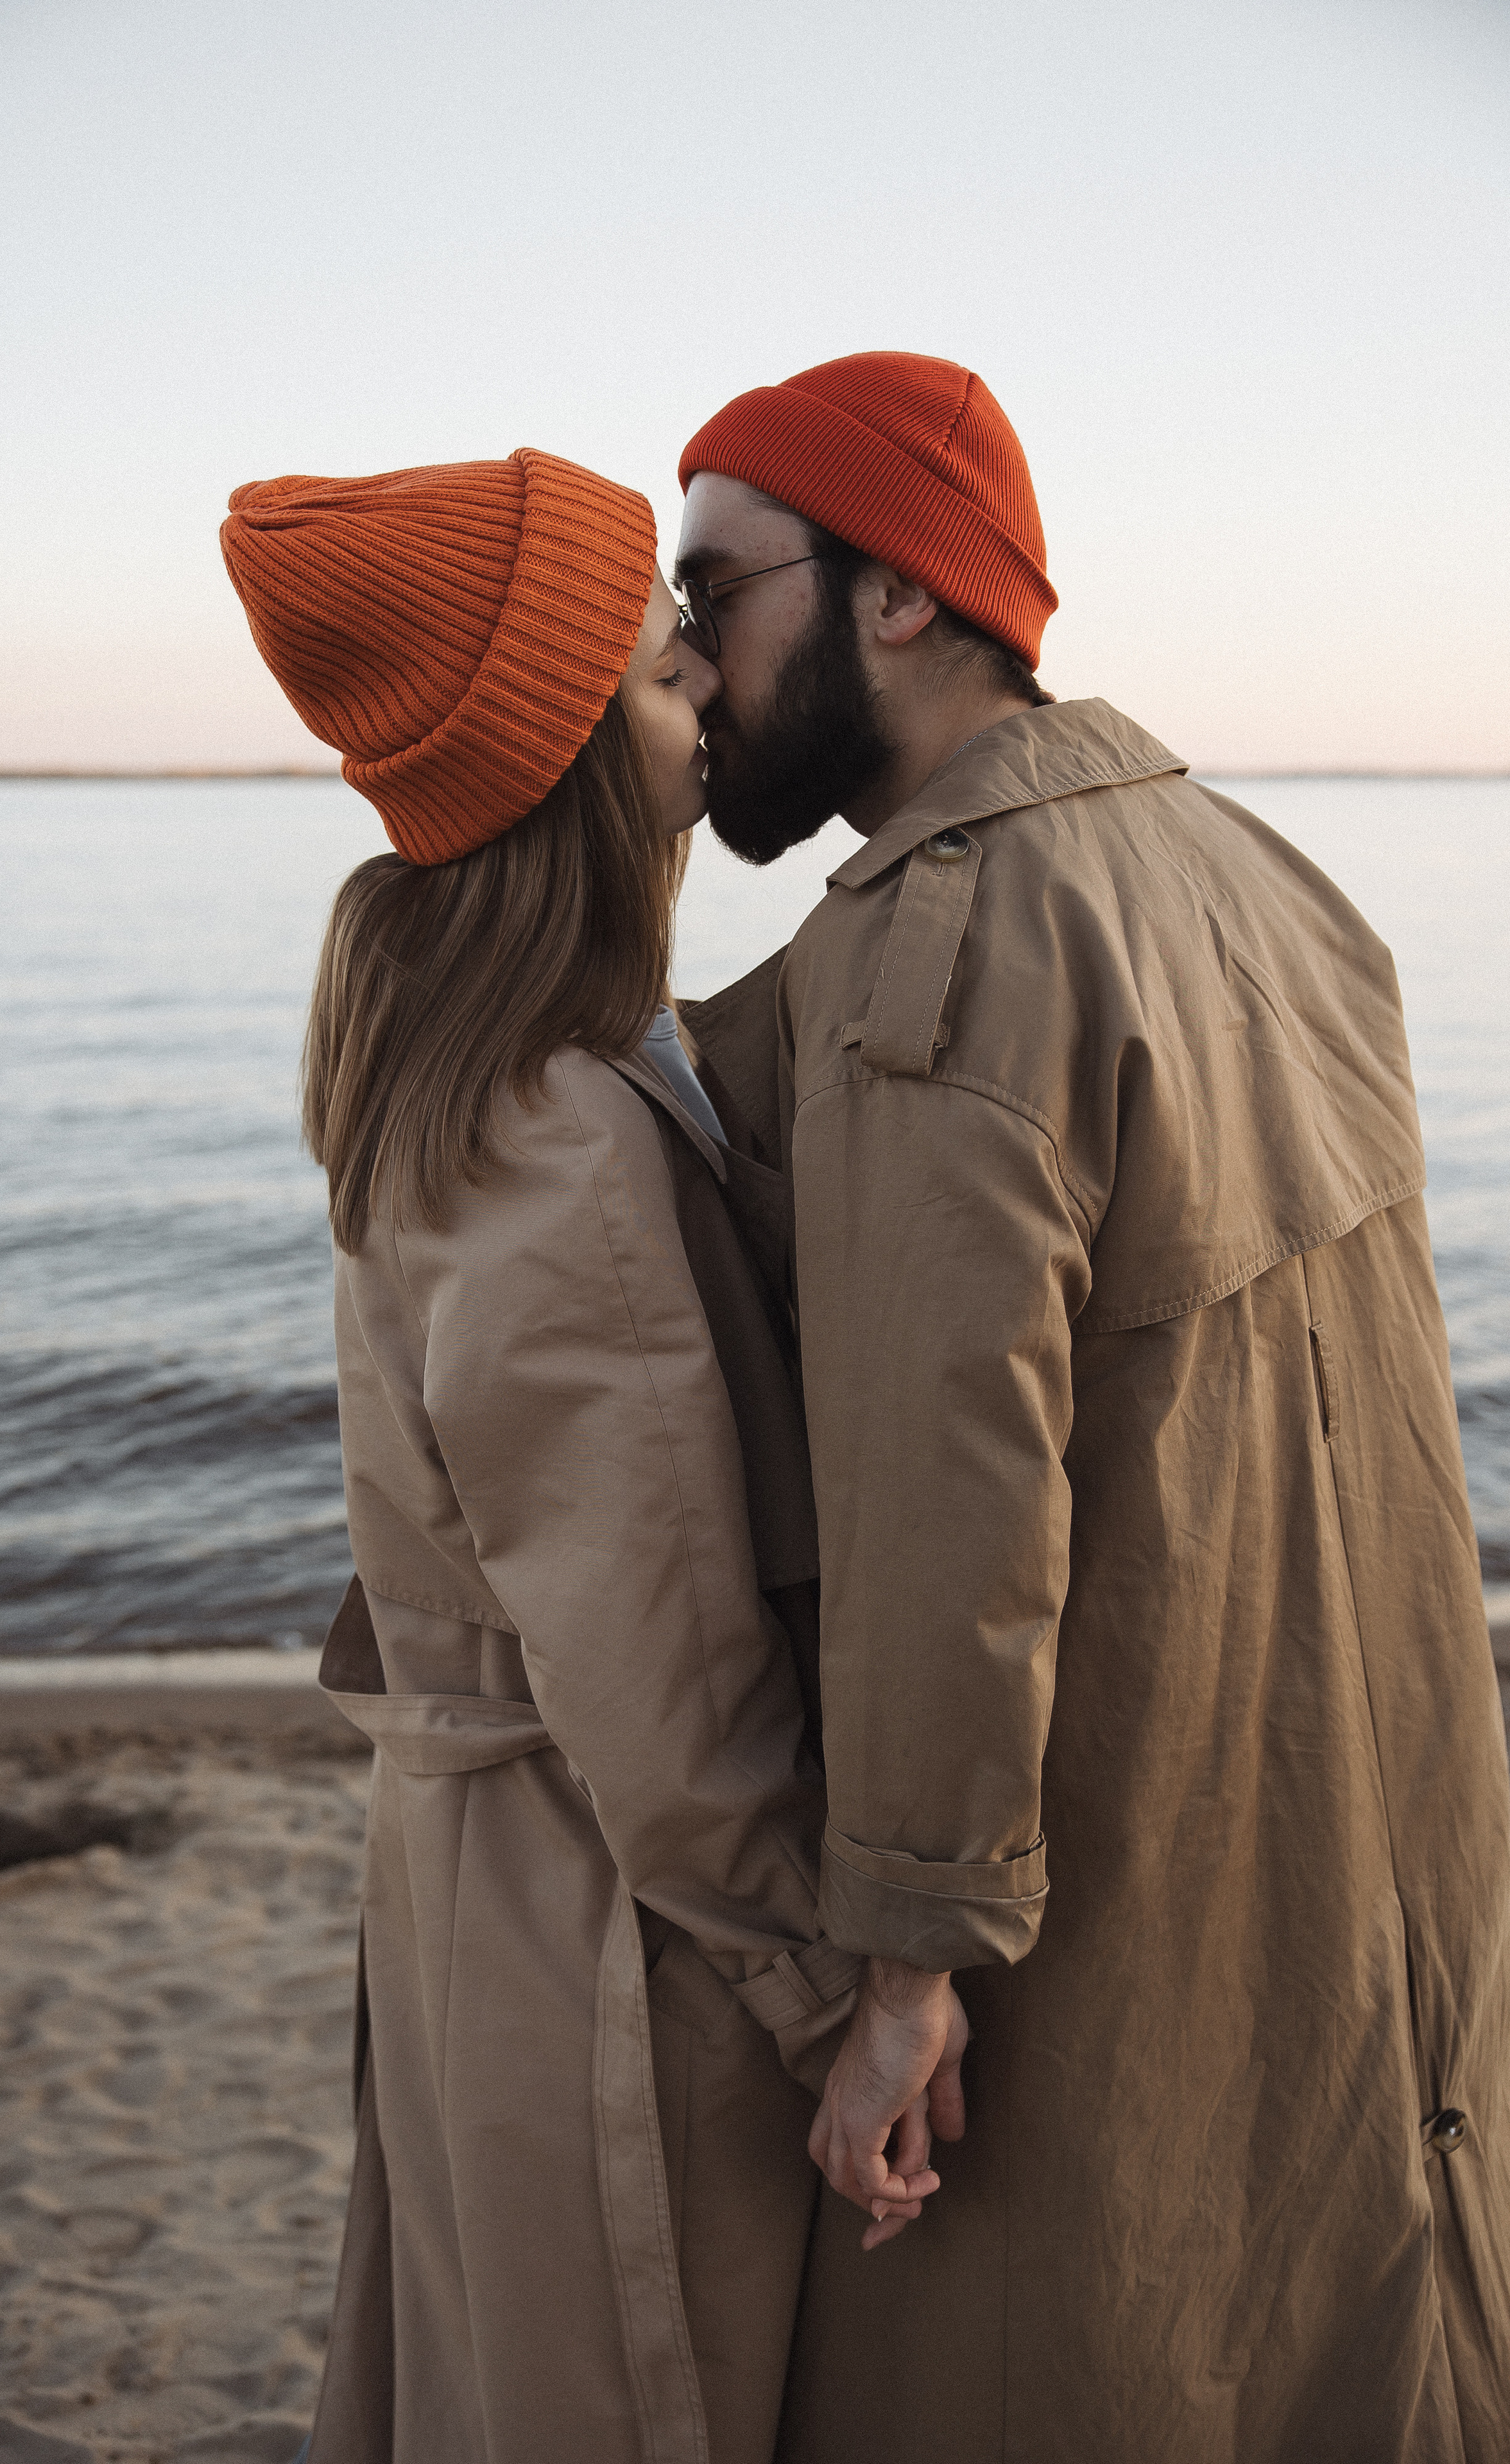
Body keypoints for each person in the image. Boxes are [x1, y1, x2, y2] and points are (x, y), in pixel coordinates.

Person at [670, 352, 1510, 2461]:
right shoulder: (1271, 882)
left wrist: (911, 1963)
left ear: (903, 598)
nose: (686, 651)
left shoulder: (947, 943)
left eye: (716, 588)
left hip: (1100, 1878)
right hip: (1357, 1840)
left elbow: (948, 1499)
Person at [219, 450, 871, 2464]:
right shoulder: (553, 1131)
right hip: (614, 1933)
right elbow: (652, 1658)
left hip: (482, 1895)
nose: (712, 707)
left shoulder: (454, 1045)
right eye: (670, 689)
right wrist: (822, 1996)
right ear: (571, 757)